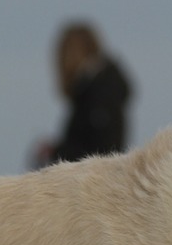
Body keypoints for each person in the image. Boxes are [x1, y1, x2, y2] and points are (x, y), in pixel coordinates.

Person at [32, 21, 133, 168]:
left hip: (94, 185)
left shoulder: (100, 93)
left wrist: (58, 151)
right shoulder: (100, 88)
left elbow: (101, 153)